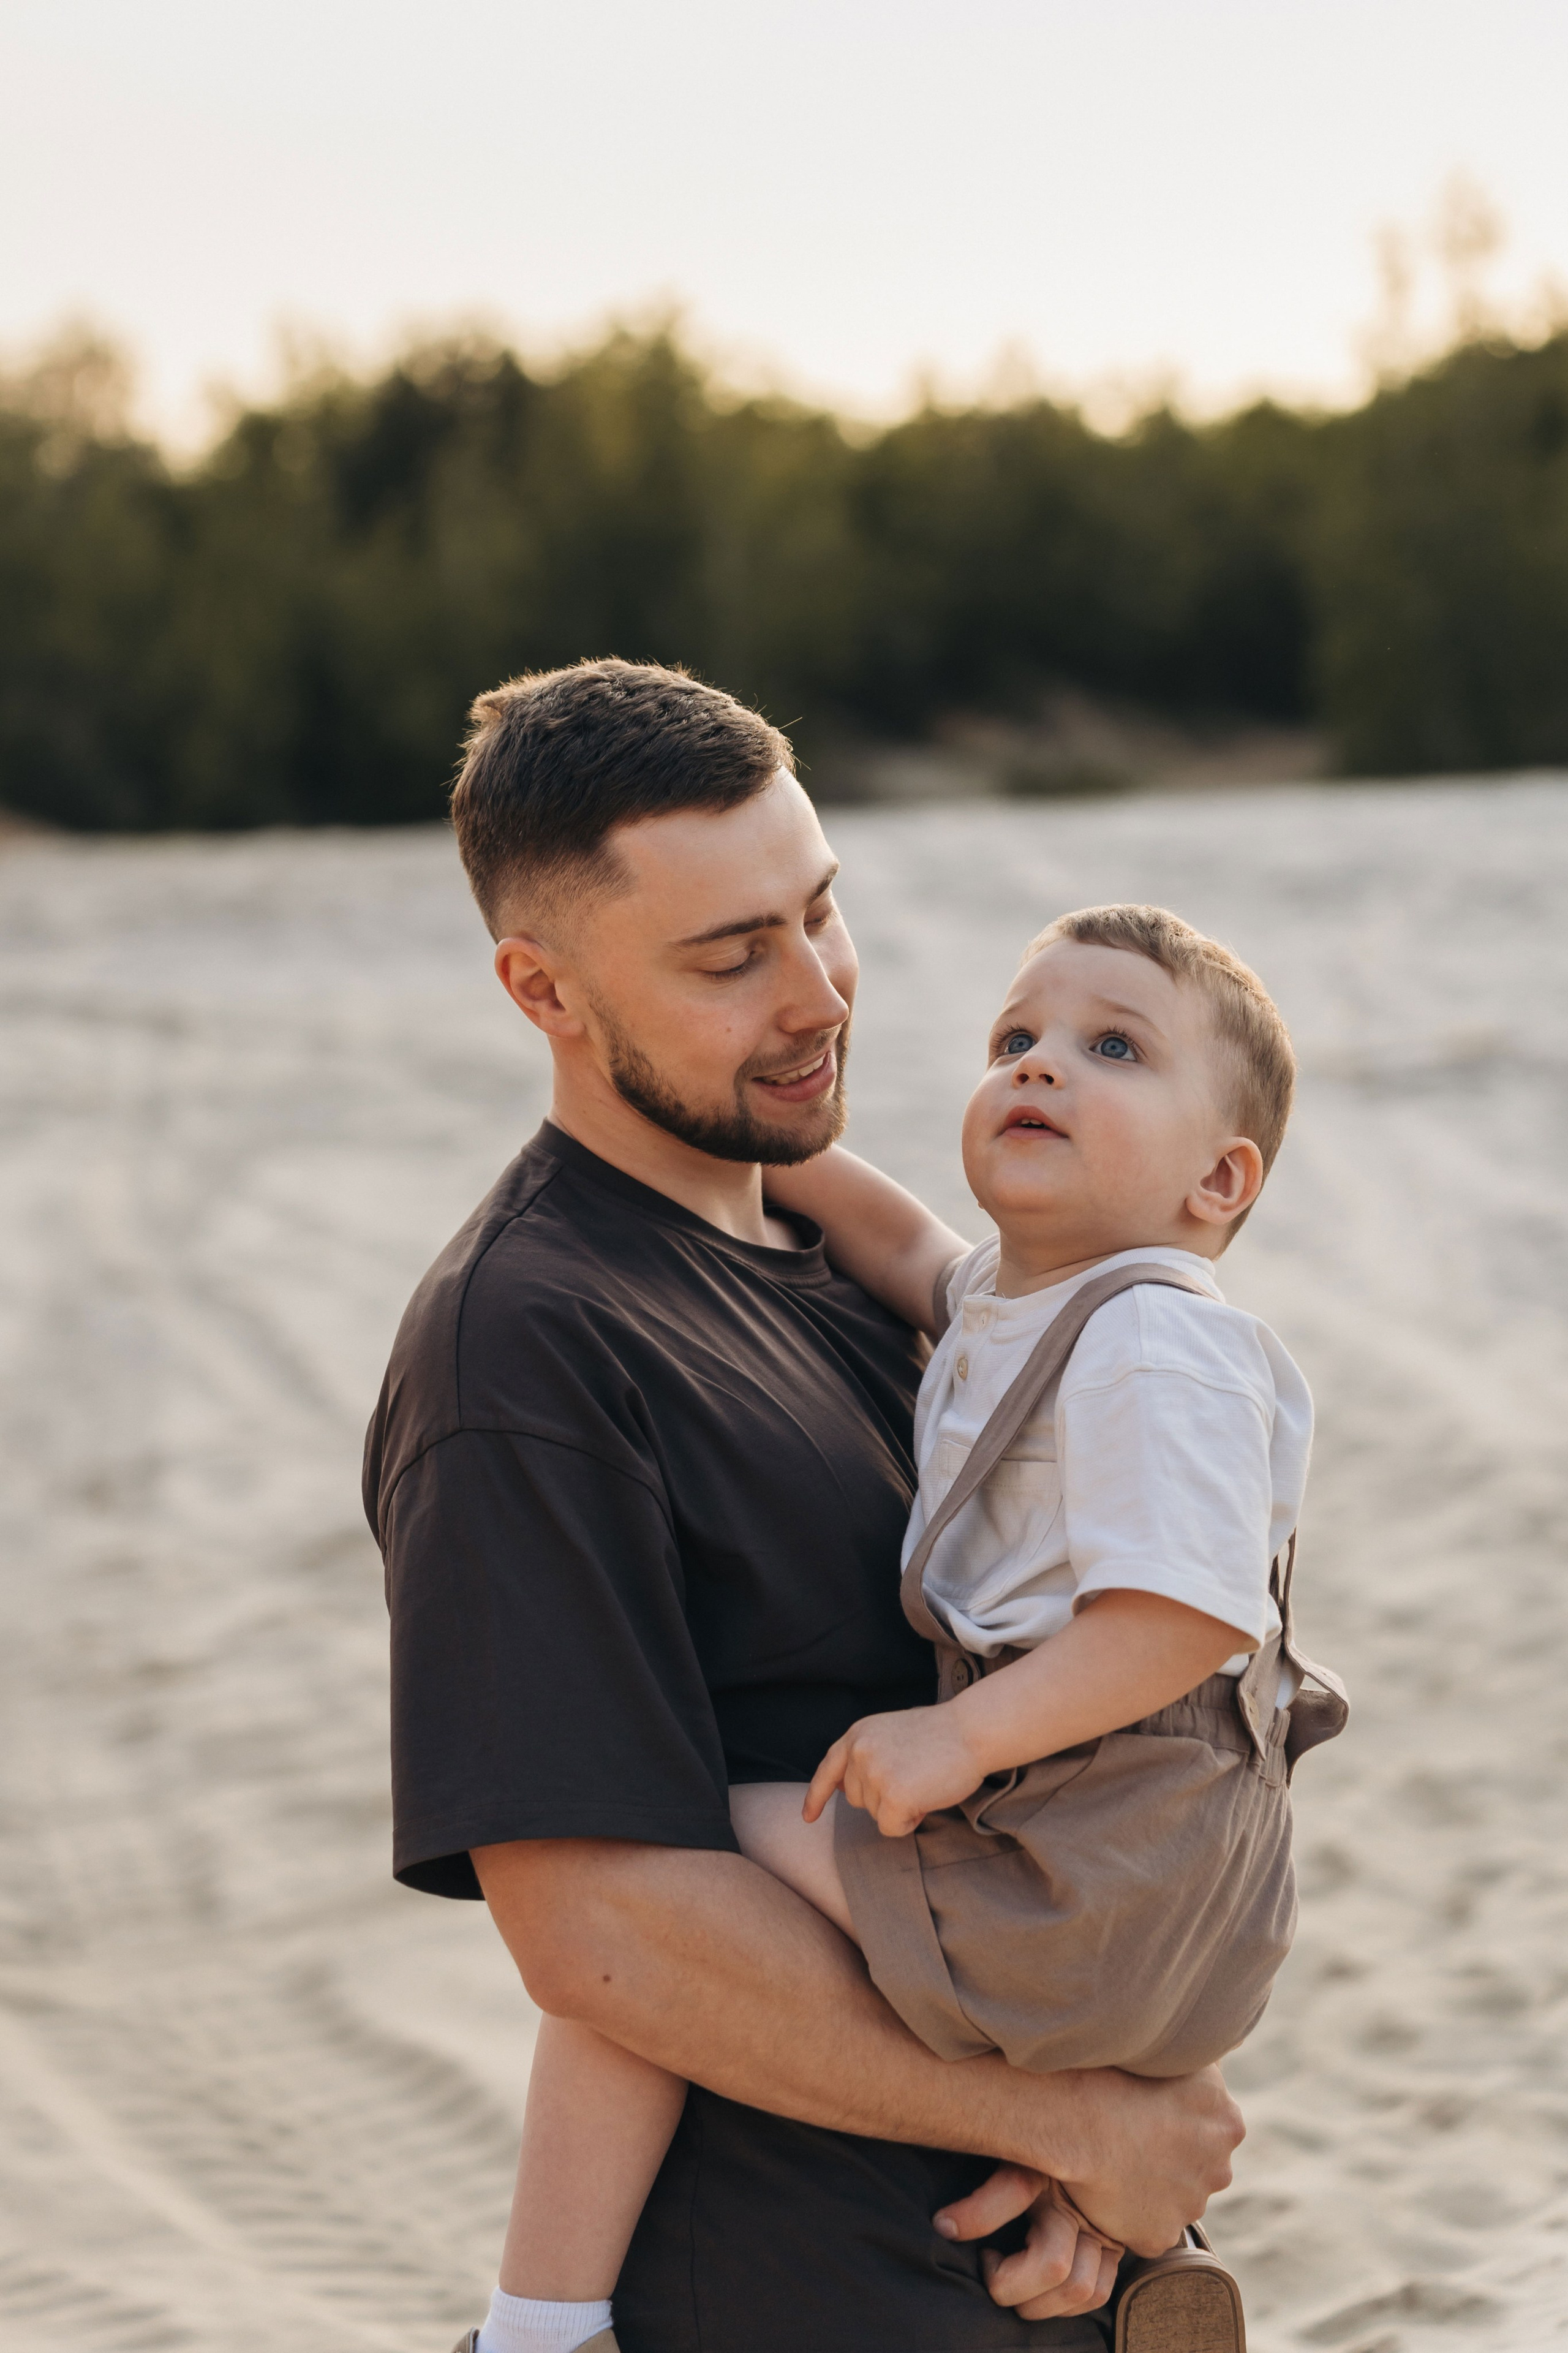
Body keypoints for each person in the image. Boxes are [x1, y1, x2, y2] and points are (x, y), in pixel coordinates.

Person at [363, 660, 1244, 2353]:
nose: (819, 994)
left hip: (1027, 2260)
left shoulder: (855, 1258)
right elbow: (602, 1930)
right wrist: (1070, 2130)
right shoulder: (525, 1348)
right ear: (541, 989)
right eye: (729, 957)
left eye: (819, 915)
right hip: (776, 2289)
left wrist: (1097, 2141)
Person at [492, 893, 1348, 2351]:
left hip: (1095, 1848)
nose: (1036, 1065)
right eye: (1014, 1036)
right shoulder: (1024, 1304)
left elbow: (1181, 1616)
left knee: (661, 1871)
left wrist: (963, 1735)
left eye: (1110, 1048)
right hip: (1131, 1878)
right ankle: (1121, 2227)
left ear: (1218, 1180)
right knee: (734, 1924)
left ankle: (538, 2329)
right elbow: (897, 1240)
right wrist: (740, 1130)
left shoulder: (1158, 1335)